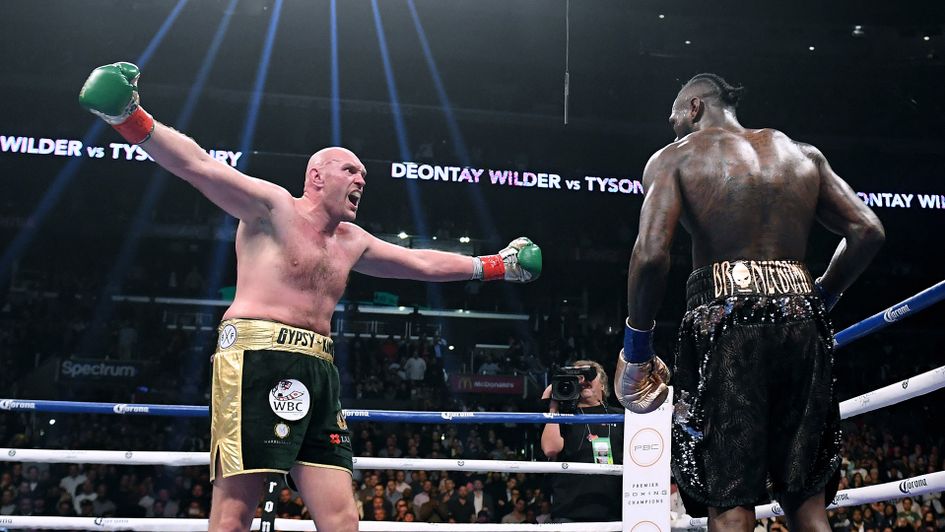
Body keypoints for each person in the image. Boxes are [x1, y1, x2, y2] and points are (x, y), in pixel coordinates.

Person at [79, 62, 542, 532]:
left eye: (363, 174)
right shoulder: (273, 209)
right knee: (235, 516)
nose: (361, 179)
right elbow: (198, 166)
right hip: (257, 357)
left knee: (342, 519)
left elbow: (420, 263)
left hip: (319, 369)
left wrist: (496, 265)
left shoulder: (352, 241)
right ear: (316, 176)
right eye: (350, 170)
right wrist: (129, 118)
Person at [615, 73, 884, 531]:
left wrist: (637, 347)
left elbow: (652, 255)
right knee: (806, 501)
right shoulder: (801, 154)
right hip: (802, 316)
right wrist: (821, 296)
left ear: (695, 107)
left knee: (731, 499)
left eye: (674, 114)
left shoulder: (675, 157)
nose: (672, 125)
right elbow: (868, 231)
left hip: (726, 319)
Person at [540, 360, 623, 523]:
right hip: (569, 510)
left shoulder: (621, 416)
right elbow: (550, 449)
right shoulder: (562, 416)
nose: (583, 380)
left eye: (589, 375)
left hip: (613, 509)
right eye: (577, 377)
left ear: (603, 385)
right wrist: (554, 402)